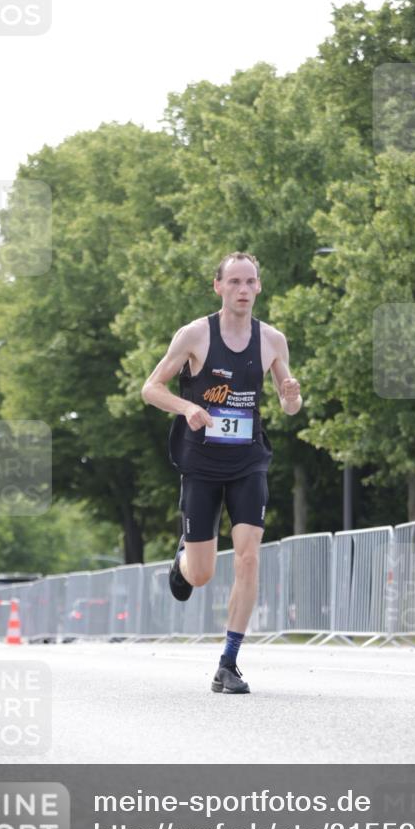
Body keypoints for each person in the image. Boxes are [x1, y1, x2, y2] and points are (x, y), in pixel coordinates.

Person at [141, 251, 302, 693]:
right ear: (218, 287)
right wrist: (189, 406)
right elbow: (150, 388)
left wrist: (291, 395)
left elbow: (290, 406)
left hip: (248, 461)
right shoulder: (194, 334)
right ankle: (183, 560)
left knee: (249, 557)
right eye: (234, 282)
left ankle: (228, 663)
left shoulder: (272, 340)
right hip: (202, 464)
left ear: (259, 287)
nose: (243, 290)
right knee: (202, 574)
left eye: (250, 282)